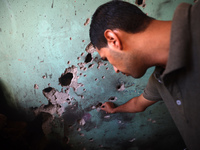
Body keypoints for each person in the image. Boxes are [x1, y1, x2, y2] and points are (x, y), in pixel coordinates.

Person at [89, 1, 200, 150]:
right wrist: (114, 110)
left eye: (106, 59)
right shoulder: (159, 80)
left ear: (113, 39)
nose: (114, 69)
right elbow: (138, 104)